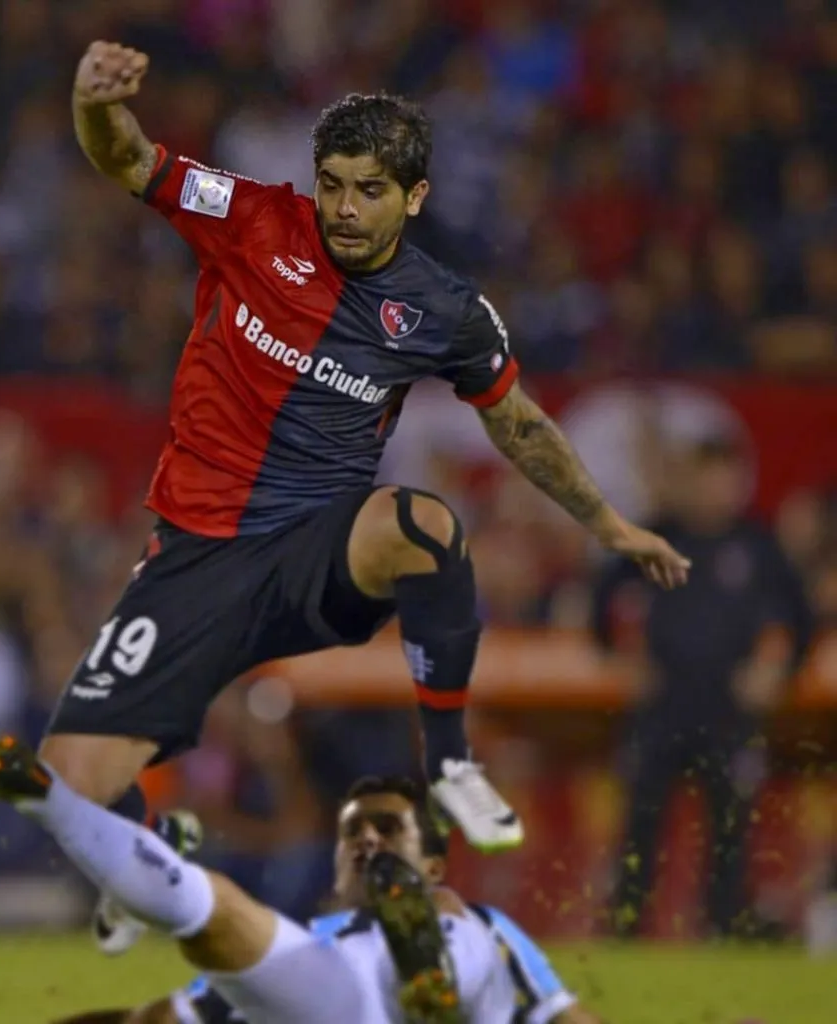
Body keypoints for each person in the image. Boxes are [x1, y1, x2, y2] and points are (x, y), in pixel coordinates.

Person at [48, 40, 691, 953]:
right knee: (70, 782)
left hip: (318, 549)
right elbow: (127, 158)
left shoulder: (447, 310)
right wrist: (94, 103)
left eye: (372, 190)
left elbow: (521, 427)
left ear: (414, 197)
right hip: (198, 555)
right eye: (334, 185)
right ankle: (159, 857)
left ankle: (453, 763)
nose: (346, 209)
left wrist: (610, 524)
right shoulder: (250, 218)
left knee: (423, 523)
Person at [0, 725, 598, 1024]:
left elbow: (566, 1017)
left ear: (432, 857)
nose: (365, 838)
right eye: (353, 832)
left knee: (454, 921)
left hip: (454, 995)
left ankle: (428, 971)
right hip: (338, 1002)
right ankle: (46, 797)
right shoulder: (315, 937)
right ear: (335, 866)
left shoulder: (485, 923)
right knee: (213, 912)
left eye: (388, 832)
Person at [593, 436, 813, 938]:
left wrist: (776, 672)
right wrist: (621, 658)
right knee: (641, 824)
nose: (718, 489)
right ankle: (625, 928)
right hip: (661, 706)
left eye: (728, 477)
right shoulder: (654, 536)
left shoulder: (757, 544)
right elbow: (600, 601)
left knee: (731, 828)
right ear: (687, 481)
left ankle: (722, 925)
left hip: (729, 711)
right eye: (708, 476)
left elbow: (802, 621)